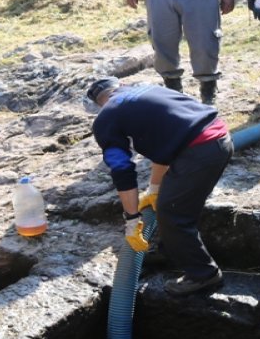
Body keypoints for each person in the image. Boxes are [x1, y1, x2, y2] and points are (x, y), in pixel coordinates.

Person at [87, 77, 233, 295]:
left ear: (99, 103)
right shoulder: (147, 91)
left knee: (172, 213)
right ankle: (172, 252)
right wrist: (154, 190)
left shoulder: (107, 117)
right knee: (171, 202)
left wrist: (132, 219)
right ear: (120, 87)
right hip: (219, 138)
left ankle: (204, 275)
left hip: (200, 150)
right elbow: (164, 148)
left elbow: (122, 170)